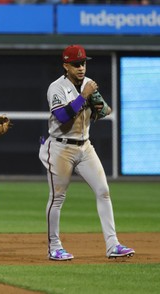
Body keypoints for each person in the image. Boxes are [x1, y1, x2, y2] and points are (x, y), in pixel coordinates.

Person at [39, 44, 135, 260]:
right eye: (76, 64)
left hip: (85, 146)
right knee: (57, 198)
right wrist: (84, 96)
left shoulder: (88, 85)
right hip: (60, 147)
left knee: (103, 190)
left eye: (83, 63)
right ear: (66, 66)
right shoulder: (57, 87)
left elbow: (105, 111)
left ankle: (113, 245)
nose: (81, 67)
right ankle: (54, 247)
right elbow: (63, 117)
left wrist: (100, 108)